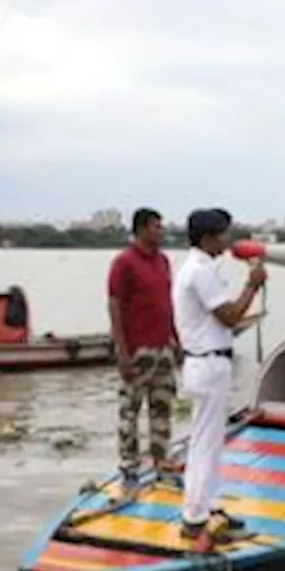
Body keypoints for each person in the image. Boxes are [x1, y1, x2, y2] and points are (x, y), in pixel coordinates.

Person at [172, 208, 265, 541]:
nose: (229, 240)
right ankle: (194, 520)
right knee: (205, 445)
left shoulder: (200, 268)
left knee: (208, 442)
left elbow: (222, 319)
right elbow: (228, 316)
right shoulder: (200, 271)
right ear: (208, 238)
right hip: (208, 365)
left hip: (208, 362)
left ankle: (205, 507)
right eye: (224, 233)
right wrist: (251, 286)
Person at [107, 207, 181, 490]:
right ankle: (129, 468)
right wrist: (122, 352)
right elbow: (114, 306)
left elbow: (167, 304)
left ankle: (162, 464)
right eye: (156, 227)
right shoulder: (123, 263)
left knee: (162, 409)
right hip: (138, 349)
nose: (161, 232)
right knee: (130, 411)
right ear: (141, 229)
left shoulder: (163, 261)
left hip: (162, 347)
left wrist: (176, 340)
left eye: (161, 227)